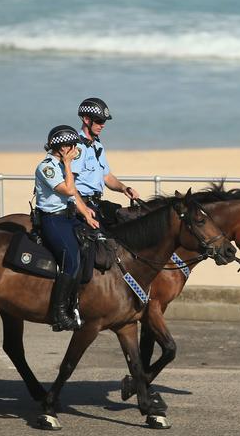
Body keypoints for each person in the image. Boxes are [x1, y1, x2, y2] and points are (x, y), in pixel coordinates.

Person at [35, 125, 99, 331]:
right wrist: (69, 164)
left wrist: (85, 212)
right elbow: (69, 189)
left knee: (91, 244)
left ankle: (76, 302)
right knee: (70, 260)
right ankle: (59, 313)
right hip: (52, 220)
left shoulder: (62, 165)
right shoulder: (47, 167)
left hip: (67, 216)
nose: (74, 149)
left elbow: (74, 195)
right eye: (71, 145)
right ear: (61, 148)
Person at [74, 97, 140, 226]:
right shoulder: (76, 147)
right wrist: (83, 209)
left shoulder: (97, 145)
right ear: (86, 119)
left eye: (103, 121)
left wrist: (124, 188)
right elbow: (69, 183)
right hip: (80, 205)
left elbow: (107, 177)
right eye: (99, 121)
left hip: (96, 203)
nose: (102, 125)